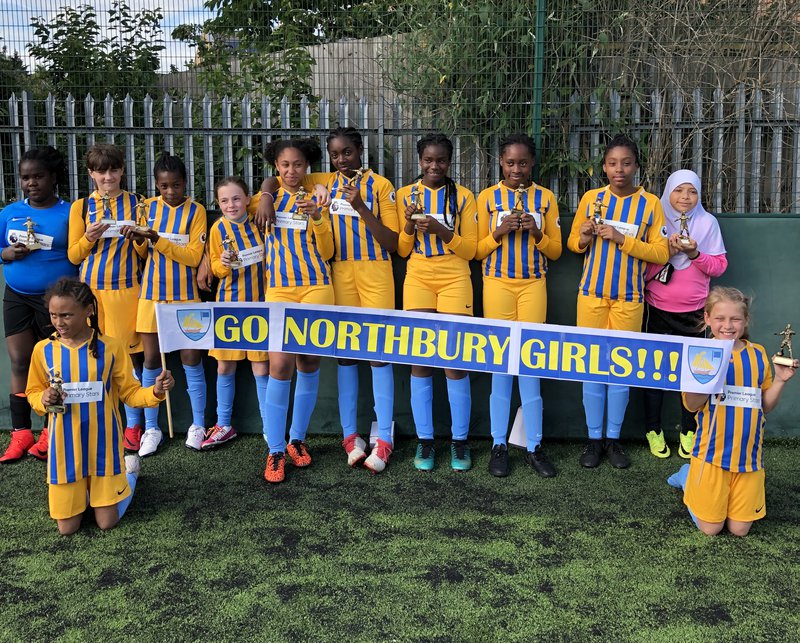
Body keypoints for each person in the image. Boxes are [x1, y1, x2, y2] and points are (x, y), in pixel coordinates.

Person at [25, 278, 174, 535]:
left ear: (88, 311)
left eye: (67, 315)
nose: (59, 323)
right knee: (67, 529)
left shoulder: (111, 347)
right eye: (53, 315)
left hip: (103, 446)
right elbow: (32, 392)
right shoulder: (43, 350)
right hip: (64, 451)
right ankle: (83, 492)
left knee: (107, 522)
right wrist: (43, 400)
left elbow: (130, 393)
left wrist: (156, 392)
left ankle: (130, 473)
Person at [567, 134, 669, 469]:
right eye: (612, 163)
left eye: (626, 163)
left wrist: (621, 238)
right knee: (592, 368)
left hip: (629, 299)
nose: (619, 170)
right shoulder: (592, 198)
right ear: (604, 167)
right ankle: (593, 439)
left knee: (620, 370)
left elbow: (660, 252)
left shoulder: (651, 203)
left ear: (636, 165)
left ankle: (614, 439)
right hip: (592, 296)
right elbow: (573, 245)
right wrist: (583, 235)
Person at [668, 286, 797, 536]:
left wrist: (780, 381)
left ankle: (715, 492)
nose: (728, 325)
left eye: (735, 318)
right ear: (707, 319)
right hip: (711, 456)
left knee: (739, 530)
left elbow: (765, 406)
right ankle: (688, 475)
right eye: (720, 318)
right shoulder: (701, 353)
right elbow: (691, 405)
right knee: (711, 529)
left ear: (745, 320)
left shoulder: (757, 354)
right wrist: (708, 379)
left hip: (748, 458)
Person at [475, 133, 562, 478]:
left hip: (532, 287)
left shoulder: (545, 198)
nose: (516, 169)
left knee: (530, 364)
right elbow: (477, 251)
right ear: (500, 162)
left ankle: (534, 446)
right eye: (510, 162)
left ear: (532, 164)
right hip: (496, 285)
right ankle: (498, 444)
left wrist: (536, 234)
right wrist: (499, 232)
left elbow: (555, 251)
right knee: (501, 366)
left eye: (523, 163)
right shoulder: (487, 198)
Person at [396, 133, 477, 472]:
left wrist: (442, 230)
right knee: (420, 359)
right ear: (419, 161)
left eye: (441, 160)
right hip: (418, 277)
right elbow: (402, 249)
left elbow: (471, 251)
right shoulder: (404, 195)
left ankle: (460, 442)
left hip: (455, 276)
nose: (434, 166)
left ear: (450, 162)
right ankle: (425, 441)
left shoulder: (464, 196)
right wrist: (409, 225)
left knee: (454, 360)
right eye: (428, 160)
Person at [258, 139, 334, 484]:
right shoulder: (265, 198)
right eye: (285, 164)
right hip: (279, 288)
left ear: (307, 167)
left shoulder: (318, 197)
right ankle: (274, 449)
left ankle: (296, 440)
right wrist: (267, 195)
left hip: (317, 285)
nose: (291, 171)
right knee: (280, 363)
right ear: (276, 166)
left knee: (309, 361)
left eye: (298, 165)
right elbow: (260, 191)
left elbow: (329, 249)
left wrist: (318, 217)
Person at [325, 127, 399, 473]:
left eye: (347, 153)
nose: (341, 160)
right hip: (340, 273)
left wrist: (360, 206)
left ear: (360, 151)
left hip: (376, 272)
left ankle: (384, 438)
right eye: (335, 155)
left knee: (379, 354)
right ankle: (349, 435)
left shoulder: (381, 186)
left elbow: (394, 242)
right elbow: (279, 178)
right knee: (345, 356)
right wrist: (265, 193)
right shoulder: (322, 182)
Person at [123, 152, 209, 451]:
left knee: (191, 360)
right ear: (156, 185)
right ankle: (151, 429)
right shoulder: (146, 207)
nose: (170, 192)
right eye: (163, 186)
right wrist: (136, 239)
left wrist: (157, 239)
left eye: (176, 185)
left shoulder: (196, 211)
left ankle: (198, 425)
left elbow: (193, 258)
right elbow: (143, 254)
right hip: (152, 296)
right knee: (150, 362)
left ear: (185, 183)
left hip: (187, 298)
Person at [67, 144, 148, 454]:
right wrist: (89, 237)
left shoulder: (137, 203)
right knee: (94, 360)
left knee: (130, 362)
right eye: (101, 171)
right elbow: (73, 255)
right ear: (91, 174)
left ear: (122, 171)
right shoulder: (81, 207)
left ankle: (133, 425)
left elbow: (144, 252)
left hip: (127, 290)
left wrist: (137, 236)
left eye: (114, 169)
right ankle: (101, 422)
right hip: (91, 295)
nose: (108, 176)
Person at [642, 170, 727, 459]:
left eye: (692, 191)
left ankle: (689, 432)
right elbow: (645, 267)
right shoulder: (657, 220)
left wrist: (693, 254)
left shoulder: (708, 223)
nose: (685, 197)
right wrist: (667, 250)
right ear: (668, 192)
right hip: (657, 310)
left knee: (692, 377)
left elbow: (718, 267)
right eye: (679, 191)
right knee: (654, 373)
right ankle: (653, 430)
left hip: (694, 315)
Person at [0, 147, 77, 463]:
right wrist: (5, 254)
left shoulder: (71, 212)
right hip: (16, 294)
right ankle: (20, 434)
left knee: (53, 365)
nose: (31, 183)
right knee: (20, 361)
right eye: (25, 177)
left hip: (57, 299)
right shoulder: (8, 213)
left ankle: (50, 430)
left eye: (38, 176)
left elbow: (79, 252)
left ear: (53, 178)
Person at [207, 177, 269, 450]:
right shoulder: (218, 229)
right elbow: (215, 270)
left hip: (260, 304)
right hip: (228, 305)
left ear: (247, 199)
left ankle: (271, 425)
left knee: (261, 366)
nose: (230, 205)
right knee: (225, 365)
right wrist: (222, 264)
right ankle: (224, 424)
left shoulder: (259, 217)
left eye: (236, 198)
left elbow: (271, 186)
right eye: (223, 200)